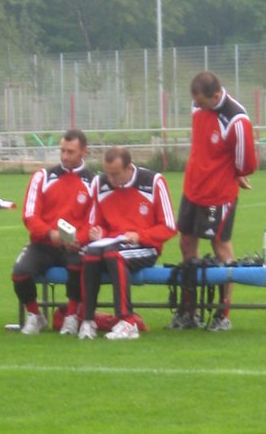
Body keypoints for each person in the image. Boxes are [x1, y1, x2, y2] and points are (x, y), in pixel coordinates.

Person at [167, 70, 257, 332]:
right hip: (192, 188)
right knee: (186, 243)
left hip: (219, 194)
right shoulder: (198, 108)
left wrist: (236, 176)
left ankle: (223, 314)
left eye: (203, 102)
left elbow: (246, 162)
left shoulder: (237, 120)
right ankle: (189, 311)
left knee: (221, 246)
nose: (198, 106)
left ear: (216, 95)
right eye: (196, 101)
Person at [78, 146, 177, 341]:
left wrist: (140, 236)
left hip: (145, 246)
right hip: (111, 243)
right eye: (107, 173)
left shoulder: (154, 182)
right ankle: (88, 320)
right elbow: (96, 221)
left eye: (115, 174)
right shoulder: (99, 183)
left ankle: (127, 321)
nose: (111, 180)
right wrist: (98, 232)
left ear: (129, 167)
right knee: (90, 254)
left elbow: (169, 226)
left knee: (114, 255)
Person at [12, 129, 93, 335]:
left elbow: (93, 221)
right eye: (62, 151)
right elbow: (30, 215)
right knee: (20, 272)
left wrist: (77, 239)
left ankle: (72, 316)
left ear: (84, 151)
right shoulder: (43, 176)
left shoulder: (94, 182)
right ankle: (35, 316)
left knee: (79, 266)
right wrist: (50, 233)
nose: (65, 156)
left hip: (73, 247)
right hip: (44, 244)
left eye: (71, 152)